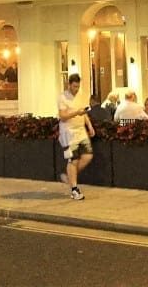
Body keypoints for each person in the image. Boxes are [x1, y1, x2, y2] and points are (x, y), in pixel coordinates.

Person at [57, 73, 95, 201]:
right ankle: (74, 189)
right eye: (74, 86)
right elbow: (62, 116)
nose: (76, 89)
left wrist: (89, 126)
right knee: (73, 160)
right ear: (69, 85)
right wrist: (75, 113)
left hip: (81, 131)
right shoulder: (62, 97)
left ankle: (70, 176)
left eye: (78, 86)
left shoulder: (81, 95)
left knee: (88, 155)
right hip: (68, 132)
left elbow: (83, 112)